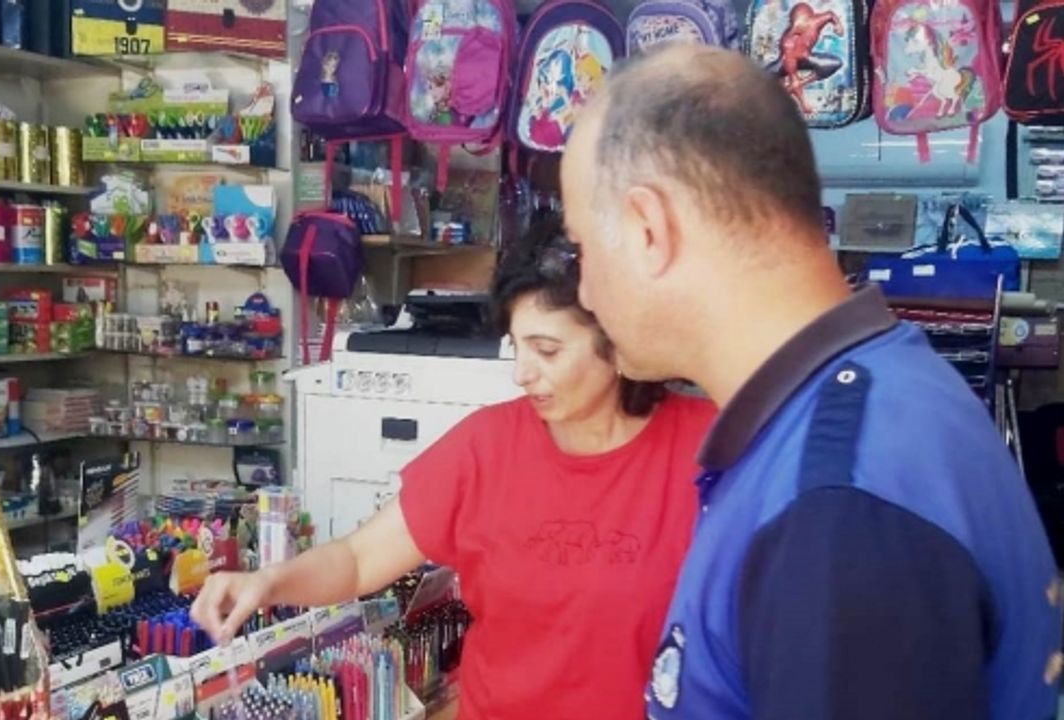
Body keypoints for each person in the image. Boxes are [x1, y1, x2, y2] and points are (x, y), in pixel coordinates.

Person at [561, 44, 1062, 720]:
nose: (584, 292)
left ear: (649, 229)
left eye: (582, 248)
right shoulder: (879, 395)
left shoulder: (835, 508)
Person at [192, 218, 717, 720]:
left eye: (548, 350)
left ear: (621, 340)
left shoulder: (710, 451)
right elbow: (357, 559)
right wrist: (269, 582)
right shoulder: (487, 446)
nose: (522, 373)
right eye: (516, 346)